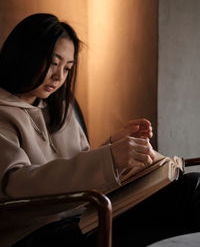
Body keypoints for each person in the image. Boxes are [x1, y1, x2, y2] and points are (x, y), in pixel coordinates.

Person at [0, 13, 199, 247]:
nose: (59, 77)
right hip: (33, 233)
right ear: (24, 55)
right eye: (53, 64)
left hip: (86, 215)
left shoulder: (62, 108)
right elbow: (16, 185)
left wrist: (113, 147)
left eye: (67, 68)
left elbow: (77, 164)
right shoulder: (4, 112)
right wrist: (109, 159)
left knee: (189, 185)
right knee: (187, 194)